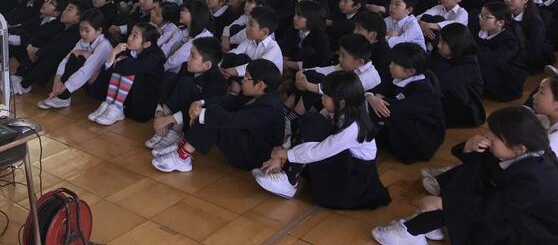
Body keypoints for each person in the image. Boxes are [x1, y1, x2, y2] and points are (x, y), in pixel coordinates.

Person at [372, 106, 558, 245]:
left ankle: (416, 229)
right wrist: (468, 147)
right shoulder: (524, 153)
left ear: (519, 149)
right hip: (512, 206)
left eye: (495, 136)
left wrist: (443, 203)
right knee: (475, 171)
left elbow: (491, 209)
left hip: (536, 231)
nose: (488, 137)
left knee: (482, 212)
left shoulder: (534, 179)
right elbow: (485, 167)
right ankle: (426, 226)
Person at [255, 71, 391, 209]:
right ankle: (284, 172)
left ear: (342, 102)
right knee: (310, 121)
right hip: (343, 162)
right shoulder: (339, 109)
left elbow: (319, 151)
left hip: (354, 181)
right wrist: (281, 152)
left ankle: (289, 182)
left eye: (326, 96)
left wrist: (284, 154)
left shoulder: (353, 127)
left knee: (313, 124)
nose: (322, 98)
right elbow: (307, 132)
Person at [151, 59, 284, 173]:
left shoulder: (270, 106)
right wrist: (201, 103)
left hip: (254, 157)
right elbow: (230, 101)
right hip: (247, 142)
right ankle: (183, 146)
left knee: (214, 115)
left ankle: (182, 157)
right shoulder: (258, 96)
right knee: (212, 111)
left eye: (246, 78)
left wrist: (203, 113)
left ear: (260, 85)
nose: (242, 80)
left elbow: (236, 120)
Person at [367, 43, 446, 164]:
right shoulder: (397, 76)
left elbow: (395, 109)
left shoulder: (424, 90)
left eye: (394, 64)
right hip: (402, 120)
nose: (390, 65)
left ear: (410, 71)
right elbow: (377, 91)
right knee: (374, 107)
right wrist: (370, 97)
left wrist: (378, 100)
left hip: (422, 137)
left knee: (379, 110)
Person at [148, 36, 226, 151]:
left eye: (193, 56)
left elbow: (201, 110)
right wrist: (160, 114)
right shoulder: (186, 66)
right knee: (170, 76)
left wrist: (169, 119)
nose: (188, 59)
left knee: (186, 82)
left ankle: (175, 132)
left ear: (207, 65)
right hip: (171, 114)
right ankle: (164, 127)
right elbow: (174, 94)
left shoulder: (217, 81)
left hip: (190, 121)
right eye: (190, 54)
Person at [88, 22, 165, 125]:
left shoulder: (155, 56)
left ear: (146, 44)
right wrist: (114, 52)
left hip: (144, 100)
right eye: (131, 33)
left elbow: (127, 68)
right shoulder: (128, 49)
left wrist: (117, 62)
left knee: (127, 68)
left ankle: (117, 107)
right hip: (130, 95)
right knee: (123, 63)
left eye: (135, 36)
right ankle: (109, 103)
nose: (129, 38)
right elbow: (109, 70)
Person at [37, 8, 111, 109]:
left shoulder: (104, 45)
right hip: (85, 81)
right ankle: (62, 97)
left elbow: (87, 70)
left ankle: (63, 97)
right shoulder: (84, 40)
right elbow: (66, 59)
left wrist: (65, 87)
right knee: (75, 53)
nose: (83, 33)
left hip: (99, 88)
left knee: (84, 55)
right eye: (81, 29)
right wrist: (57, 79)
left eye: (87, 30)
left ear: (99, 31)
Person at [428, 23, 485, 127]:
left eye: (443, 42)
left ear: (455, 44)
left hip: (468, 109)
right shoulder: (442, 54)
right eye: (439, 40)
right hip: (449, 101)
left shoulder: (470, 64)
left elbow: (439, 81)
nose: (438, 45)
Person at [475, 1, 528, 101]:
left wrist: (475, 54)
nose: (481, 19)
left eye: (486, 17)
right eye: (481, 15)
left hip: (505, 79)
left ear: (500, 22)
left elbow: (496, 59)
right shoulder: (480, 32)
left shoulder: (509, 40)